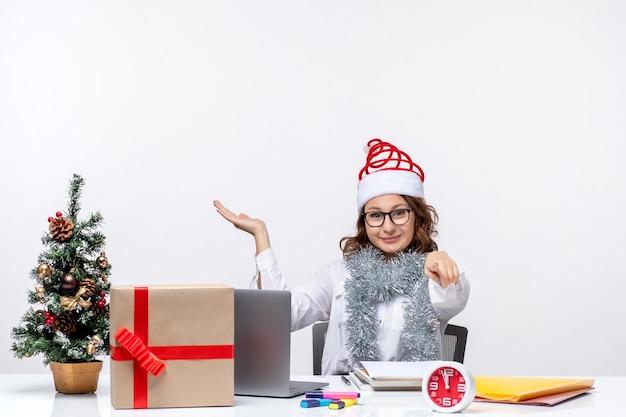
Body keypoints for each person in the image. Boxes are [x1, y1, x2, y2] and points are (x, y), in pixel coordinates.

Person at [214, 138, 470, 375]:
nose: (388, 227)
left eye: (399, 212)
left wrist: (443, 266)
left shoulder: (431, 276)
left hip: (412, 405)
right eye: (376, 215)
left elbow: (453, 297)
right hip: (344, 405)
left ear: (417, 217)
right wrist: (261, 236)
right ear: (364, 222)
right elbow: (278, 316)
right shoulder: (339, 274)